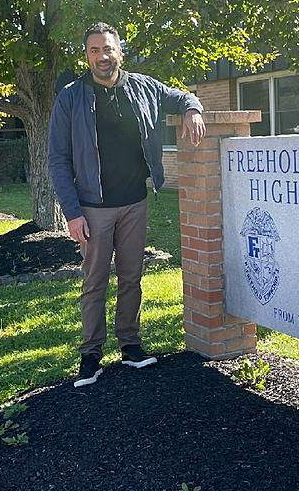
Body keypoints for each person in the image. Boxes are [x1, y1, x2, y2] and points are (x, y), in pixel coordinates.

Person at [48, 22, 206, 387]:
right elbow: (57, 158)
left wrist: (193, 111)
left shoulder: (144, 87)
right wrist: (72, 213)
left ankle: (131, 345)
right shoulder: (71, 97)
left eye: (107, 49)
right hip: (93, 208)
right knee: (95, 282)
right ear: (87, 56)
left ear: (120, 51)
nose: (102, 56)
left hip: (134, 202)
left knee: (132, 277)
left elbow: (182, 97)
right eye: (94, 51)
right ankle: (90, 354)